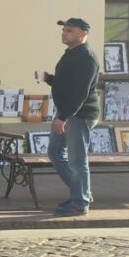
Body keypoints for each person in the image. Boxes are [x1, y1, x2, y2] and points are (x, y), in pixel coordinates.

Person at [43, 17, 99, 217]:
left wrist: (63, 117)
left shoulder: (86, 58)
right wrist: (49, 79)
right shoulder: (71, 53)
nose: (64, 33)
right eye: (64, 30)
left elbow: (80, 92)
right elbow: (68, 84)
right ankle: (82, 192)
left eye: (69, 31)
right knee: (55, 152)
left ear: (83, 34)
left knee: (77, 159)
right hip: (66, 112)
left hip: (78, 115)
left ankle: (80, 201)